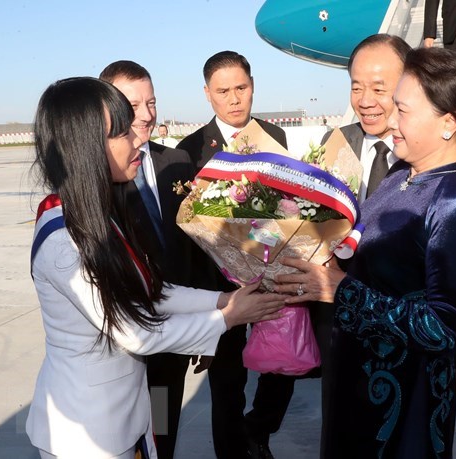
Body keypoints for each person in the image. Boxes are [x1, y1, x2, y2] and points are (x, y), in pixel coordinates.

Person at [25, 76, 285, 459]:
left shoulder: (101, 212)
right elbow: (132, 332)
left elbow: (149, 288)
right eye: (122, 131)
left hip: (131, 404)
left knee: (174, 429)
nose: (138, 138)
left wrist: (222, 300)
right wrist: (228, 318)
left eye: (150, 105)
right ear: (85, 146)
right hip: (88, 431)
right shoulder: (65, 237)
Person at [275, 46, 456, 458]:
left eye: (403, 111)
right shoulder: (404, 174)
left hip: (403, 402)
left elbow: (443, 328)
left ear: (447, 124)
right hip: (360, 383)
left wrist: (341, 290)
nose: (391, 121)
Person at [321, 34, 456, 396]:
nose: (366, 102)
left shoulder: (447, 169)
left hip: (406, 364)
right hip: (344, 340)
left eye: (382, 90)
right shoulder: (336, 145)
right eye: (356, 87)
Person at [177, 50, 290, 459]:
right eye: (223, 91)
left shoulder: (275, 137)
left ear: (253, 85)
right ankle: (232, 451)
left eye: (241, 87)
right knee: (227, 385)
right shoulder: (189, 150)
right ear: (208, 95)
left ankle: (257, 432)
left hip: (271, 277)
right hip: (218, 288)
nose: (234, 98)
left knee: (281, 370)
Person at [99, 60, 203, 459]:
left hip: (172, 337)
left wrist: (202, 328)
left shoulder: (175, 161)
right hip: (122, 343)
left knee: (162, 434)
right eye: (132, 105)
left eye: (152, 102)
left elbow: (194, 247)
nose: (146, 115)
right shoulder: (97, 177)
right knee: (123, 440)